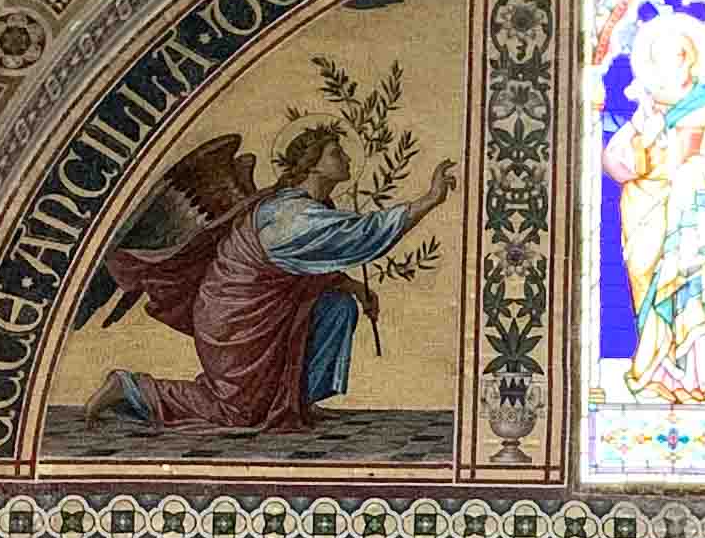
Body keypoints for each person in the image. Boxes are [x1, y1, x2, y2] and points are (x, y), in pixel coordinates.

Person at [95, 123, 457, 434]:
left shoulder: (308, 210)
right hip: (234, 322)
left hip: (265, 314)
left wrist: (354, 287)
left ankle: (296, 401)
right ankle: (130, 388)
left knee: (338, 308)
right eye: (335, 153)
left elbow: (300, 268)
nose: (345, 159)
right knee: (237, 413)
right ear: (313, 165)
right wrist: (430, 199)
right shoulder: (292, 217)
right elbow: (364, 233)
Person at [604, 13, 705, 406]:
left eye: (676, 57)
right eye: (659, 59)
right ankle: (658, 374)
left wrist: (693, 173)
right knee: (654, 290)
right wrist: (644, 142)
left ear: (690, 60)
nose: (668, 66)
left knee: (702, 291)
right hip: (648, 217)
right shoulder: (646, 108)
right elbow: (615, 162)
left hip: (697, 222)